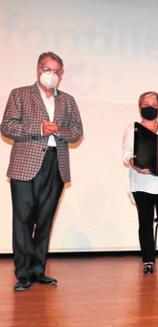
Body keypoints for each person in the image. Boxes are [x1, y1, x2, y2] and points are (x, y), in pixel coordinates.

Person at [0, 51, 83, 291]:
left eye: (56, 71)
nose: (52, 75)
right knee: (23, 220)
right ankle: (23, 273)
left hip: (55, 163)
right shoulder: (20, 94)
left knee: (45, 220)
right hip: (25, 165)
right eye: (48, 70)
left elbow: (77, 131)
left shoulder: (67, 100)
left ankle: (38, 270)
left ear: (61, 74)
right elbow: (7, 126)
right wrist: (39, 128)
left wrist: (58, 130)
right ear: (38, 70)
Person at [122, 91, 158, 276]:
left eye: (154, 104)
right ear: (139, 105)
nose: (150, 107)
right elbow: (127, 153)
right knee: (145, 223)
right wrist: (134, 164)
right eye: (146, 104)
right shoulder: (132, 129)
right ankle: (148, 261)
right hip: (141, 184)